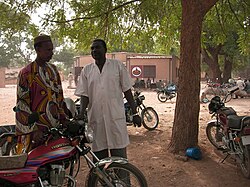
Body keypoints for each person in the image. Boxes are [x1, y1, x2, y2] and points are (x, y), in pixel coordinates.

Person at [74, 39, 141, 161]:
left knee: (119, 159)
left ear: (105, 50)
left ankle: (123, 180)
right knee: (99, 161)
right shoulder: (87, 71)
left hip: (115, 119)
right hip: (96, 120)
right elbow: (84, 95)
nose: (94, 50)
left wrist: (135, 112)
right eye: (92, 48)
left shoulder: (117, 66)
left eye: (97, 47)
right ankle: (102, 181)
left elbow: (127, 91)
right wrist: (81, 113)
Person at [15, 34, 69, 153]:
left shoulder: (53, 70)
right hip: (36, 133)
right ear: (37, 50)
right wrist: (33, 130)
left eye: (52, 49)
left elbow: (59, 97)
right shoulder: (26, 73)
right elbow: (22, 104)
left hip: (54, 130)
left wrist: (64, 119)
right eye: (48, 50)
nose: (52, 53)